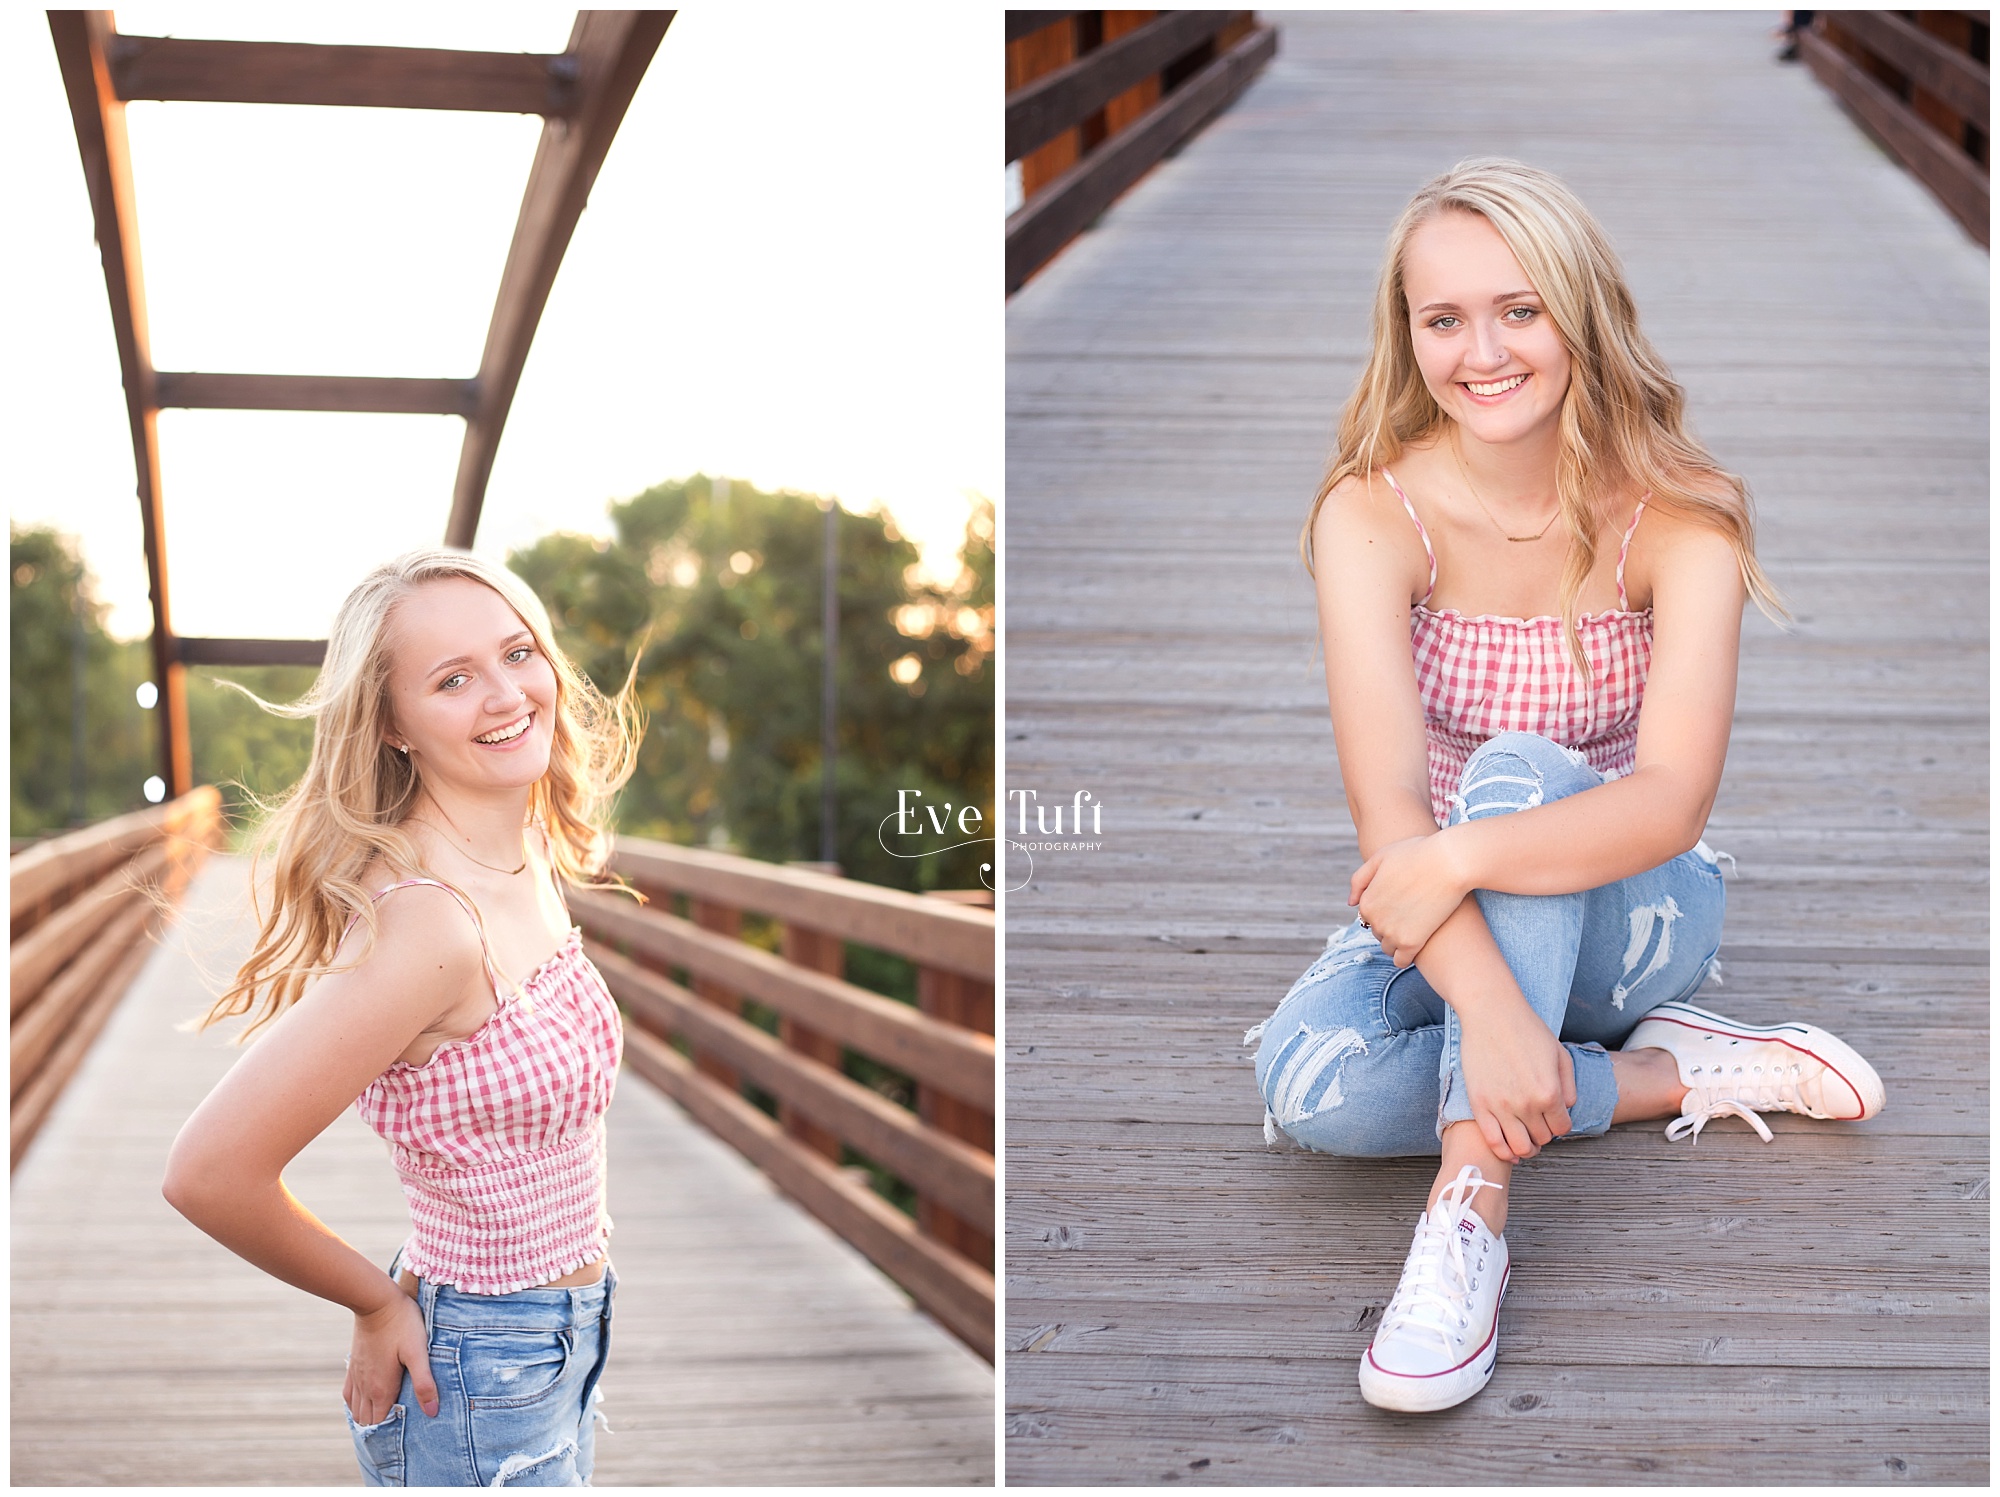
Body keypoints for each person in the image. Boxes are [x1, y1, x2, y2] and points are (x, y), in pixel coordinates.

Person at [1246, 160, 1885, 1415]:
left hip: (1636, 911)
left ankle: (1468, 1209)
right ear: (1407, 335)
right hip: (1444, 911)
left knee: (1513, 775)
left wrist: (1455, 860)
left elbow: (1667, 804)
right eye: (1443, 320)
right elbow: (1388, 820)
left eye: (1518, 309)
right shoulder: (1369, 517)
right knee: (1307, 1087)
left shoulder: (1681, 520)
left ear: (1579, 313)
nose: (1480, 351)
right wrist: (1484, 1010)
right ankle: (1659, 1078)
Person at [164, 549, 641, 1484]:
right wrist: (376, 1305)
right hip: (485, 1364)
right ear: (392, 723)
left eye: (517, 653)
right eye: (454, 679)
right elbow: (209, 1170)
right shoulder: (429, 923)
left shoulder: (522, 845)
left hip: (562, 1340)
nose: (507, 694)